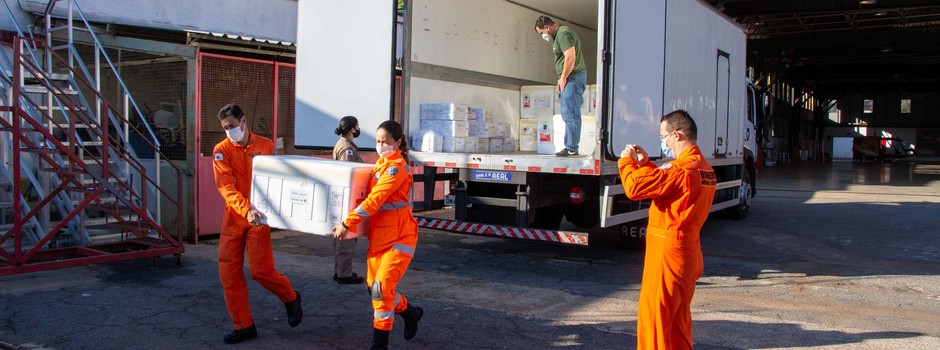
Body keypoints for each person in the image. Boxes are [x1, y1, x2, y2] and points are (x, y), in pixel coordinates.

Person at [618, 110, 717, 349]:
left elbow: (634, 188)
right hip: (688, 251)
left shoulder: (682, 169)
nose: (663, 142)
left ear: (677, 135)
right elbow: (666, 185)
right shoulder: (704, 169)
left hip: (668, 253)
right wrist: (648, 165)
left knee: (654, 321)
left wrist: (626, 162)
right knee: (677, 322)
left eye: (664, 137)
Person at [212, 103, 303, 344]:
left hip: (259, 219)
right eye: (224, 128)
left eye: (231, 126)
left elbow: (279, 180)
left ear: (243, 121)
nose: (229, 131)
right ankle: (244, 326)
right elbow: (226, 187)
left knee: (260, 271)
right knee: (229, 275)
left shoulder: (265, 146)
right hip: (234, 218)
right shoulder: (221, 150)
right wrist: (245, 209)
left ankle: (291, 297)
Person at [332, 120, 423, 350]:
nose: (381, 145)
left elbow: (375, 200)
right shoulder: (380, 164)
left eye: (386, 142)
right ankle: (410, 312)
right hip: (380, 238)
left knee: (381, 289)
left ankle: (379, 344)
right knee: (374, 289)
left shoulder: (395, 168)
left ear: (398, 142)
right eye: (378, 141)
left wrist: (348, 223)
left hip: (400, 238)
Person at [534, 15, 587, 157]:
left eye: (542, 33)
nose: (543, 36)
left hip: (573, 77)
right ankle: (570, 146)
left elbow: (570, 56)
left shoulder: (563, 34)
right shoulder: (559, 36)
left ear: (547, 27)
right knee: (567, 112)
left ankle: (571, 148)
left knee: (570, 112)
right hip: (570, 77)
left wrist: (563, 78)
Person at [331, 116, 365, 285]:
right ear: (352, 128)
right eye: (357, 126)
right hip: (347, 199)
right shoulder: (346, 148)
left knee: (342, 236)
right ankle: (344, 274)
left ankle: (340, 271)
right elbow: (349, 173)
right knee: (347, 237)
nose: (359, 128)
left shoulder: (345, 145)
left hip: (343, 198)